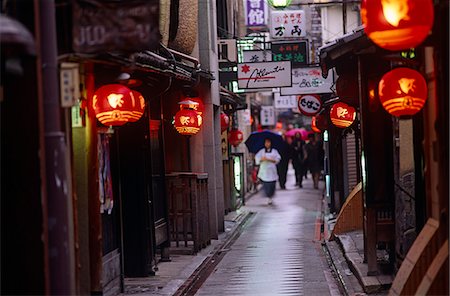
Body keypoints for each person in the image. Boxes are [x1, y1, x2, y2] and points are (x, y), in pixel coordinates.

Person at [255, 138, 281, 205]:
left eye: (268, 142)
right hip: (264, 170)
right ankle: (267, 196)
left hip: (272, 170)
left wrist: (270, 159)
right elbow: (257, 159)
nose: (267, 144)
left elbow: (278, 159)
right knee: (266, 184)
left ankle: (270, 197)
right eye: (266, 142)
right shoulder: (261, 151)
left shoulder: (274, 151)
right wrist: (261, 159)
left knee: (272, 185)